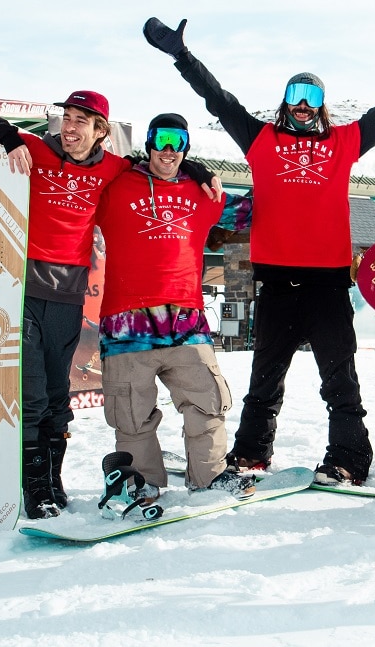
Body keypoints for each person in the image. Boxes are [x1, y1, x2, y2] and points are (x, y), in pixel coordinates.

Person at [143, 15, 375, 486]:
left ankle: (349, 458)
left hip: (327, 284)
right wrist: (182, 57)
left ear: (321, 107)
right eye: (294, 95)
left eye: (311, 96)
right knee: (264, 382)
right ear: (284, 103)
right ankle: (251, 454)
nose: (301, 104)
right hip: (275, 283)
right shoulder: (260, 141)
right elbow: (219, 99)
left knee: (341, 381)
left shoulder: (343, 143)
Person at [0, 92, 219, 519]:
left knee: (59, 396)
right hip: (22, 289)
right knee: (35, 395)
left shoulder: (115, 167)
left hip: (68, 294)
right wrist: (9, 138)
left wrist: (195, 165)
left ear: (102, 132)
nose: (71, 127)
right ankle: (35, 490)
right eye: (68, 118)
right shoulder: (37, 148)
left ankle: (53, 485)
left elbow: (161, 160)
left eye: (83, 121)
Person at [94, 113, 254, 503]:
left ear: (186, 147)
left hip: (187, 321)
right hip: (126, 323)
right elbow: (77, 172)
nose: (169, 149)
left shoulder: (204, 193)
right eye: (161, 139)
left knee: (208, 402)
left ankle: (210, 477)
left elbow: (257, 208)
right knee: (132, 414)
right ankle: (142, 484)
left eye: (178, 141)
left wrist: (207, 172)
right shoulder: (114, 185)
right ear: (148, 142)